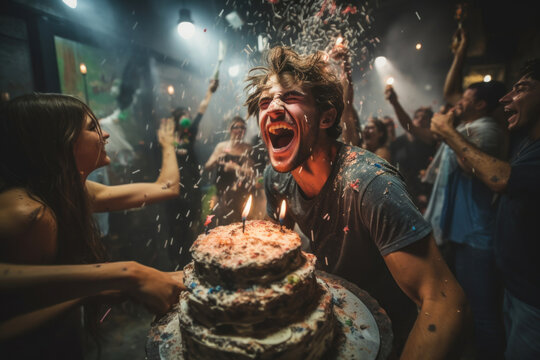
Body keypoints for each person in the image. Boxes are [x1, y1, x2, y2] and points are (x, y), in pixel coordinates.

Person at [245, 46, 467, 358]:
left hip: (385, 331)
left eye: (291, 97)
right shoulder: (277, 178)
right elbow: (275, 256)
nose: (273, 108)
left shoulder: (371, 184)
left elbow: (445, 301)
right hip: (332, 317)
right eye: (265, 101)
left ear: (326, 117)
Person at [0, 93, 184, 357]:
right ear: (60, 142)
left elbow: (167, 187)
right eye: (92, 128)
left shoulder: (76, 191)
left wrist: (167, 144)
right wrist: (126, 274)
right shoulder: (26, 210)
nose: (105, 135)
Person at [431, 58, 540, 360]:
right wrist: (461, 49)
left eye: (521, 88)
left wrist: (448, 132)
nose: (507, 98)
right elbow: (452, 94)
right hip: (515, 281)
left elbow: (497, 177)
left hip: (530, 294)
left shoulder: (492, 131)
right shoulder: (527, 142)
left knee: (484, 321)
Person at [434, 80, 508, 359]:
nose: (458, 103)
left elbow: (474, 167)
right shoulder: (469, 126)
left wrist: (448, 130)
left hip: (478, 234)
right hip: (464, 231)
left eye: (465, 100)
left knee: (483, 313)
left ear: (481, 105)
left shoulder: (488, 130)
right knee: (466, 306)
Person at [166, 79, 219, 266]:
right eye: (184, 115)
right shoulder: (168, 136)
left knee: (194, 219)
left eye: (187, 114)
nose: (187, 117)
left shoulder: (190, 133)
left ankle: (197, 253)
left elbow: (201, 110)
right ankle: (177, 259)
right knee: (176, 225)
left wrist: (209, 91)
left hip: (191, 183)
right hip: (174, 185)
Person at [384, 85, 437, 212]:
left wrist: (395, 103)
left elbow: (409, 127)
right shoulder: (399, 142)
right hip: (402, 193)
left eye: (425, 118)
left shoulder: (430, 139)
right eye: (418, 117)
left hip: (425, 195)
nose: (420, 120)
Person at [204, 116, 254, 226]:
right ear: (229, 129)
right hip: (221, 194)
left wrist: (236, 167)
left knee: (239, 226)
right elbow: (207, 166)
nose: (240, 130)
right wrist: (217, 160)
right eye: (236, 127)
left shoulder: (247, 148)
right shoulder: (221, 147)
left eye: (242, 127)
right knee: (218, 224)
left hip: (240, 194)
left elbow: (251, 173)